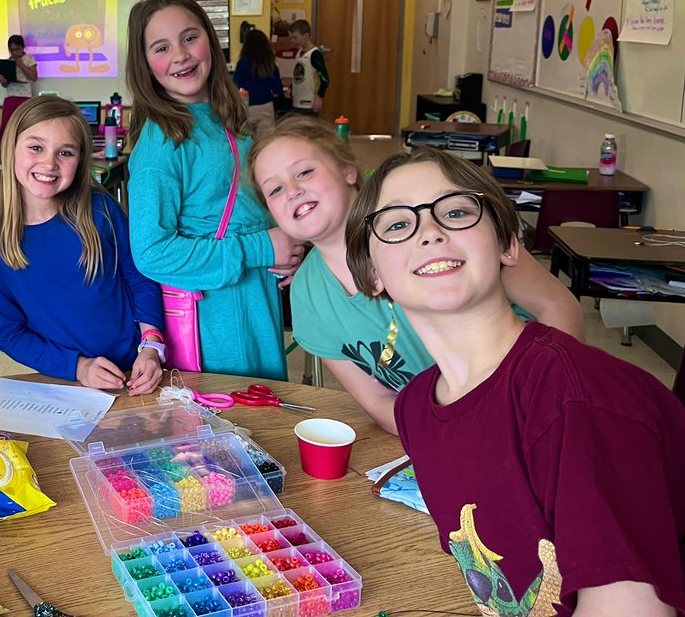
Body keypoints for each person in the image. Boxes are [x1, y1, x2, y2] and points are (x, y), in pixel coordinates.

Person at [345, 147, 685, 616]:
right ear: (371, 272)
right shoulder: (416, 407)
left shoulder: (578, 399)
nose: (430, 232)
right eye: (399, 224)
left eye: (457, 211)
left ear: (508, 242)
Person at [247, 117, 584, 434]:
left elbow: (557, 306)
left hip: (541, 410)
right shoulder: (308, 296)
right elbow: (381, 403)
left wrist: (545, 401)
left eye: (305, 172)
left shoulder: (438, 225)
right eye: (274, 190)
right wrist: (447, 436)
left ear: (347, 169)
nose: (292, 190)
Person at [124, 0, 303, 381]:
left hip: (256, 297)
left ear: (210, 38)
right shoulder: (161, 140)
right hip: (215, 315)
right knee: (231, 424)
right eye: (161, 47)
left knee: (263, 417)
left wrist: (287, 246)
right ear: (145, 65)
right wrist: (260, 247)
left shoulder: (228, 115)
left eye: (190, 38)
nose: (181, 55)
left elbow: (246, 206)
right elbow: (152, 253)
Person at [0, 97, 164, 394]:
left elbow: (141, 281)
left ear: (79, 161)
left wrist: (151, 347)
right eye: (36, 147)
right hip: (67, 382)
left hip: (136, 371)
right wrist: (78, 367)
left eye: (65, 152)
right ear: (10, 149)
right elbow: (10, 333)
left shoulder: (101, 211)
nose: (49, 163)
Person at [0, 34, 38, 167]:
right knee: (5, 127)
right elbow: (5, 85)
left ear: (23, 48)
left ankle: (26, 156)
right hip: (10, 97)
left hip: (25, 97)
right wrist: (3, 81)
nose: (14, 52)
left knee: (25, 127)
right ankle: (1, 155)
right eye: (12, 50)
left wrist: (21, 64)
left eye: (17, 49)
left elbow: (34, 77)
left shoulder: (29, 59)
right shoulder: (8, 61)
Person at [233, 28, 283, 134]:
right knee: (265, 141)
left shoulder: (243, 63)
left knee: (248, 141)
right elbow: (277, 90)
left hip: (247, 107)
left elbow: (236, 85)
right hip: (266, 106)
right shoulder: (271, 65)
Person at [284, 19, 328, 116]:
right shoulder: (299, 53)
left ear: (306, 36)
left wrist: (319, 96)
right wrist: (291, 88)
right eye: (291, 38)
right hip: (297, 102)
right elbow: (297, 74)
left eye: (295, 38)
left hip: (309, 104)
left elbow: (325, 78)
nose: (292, 41)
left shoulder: (315, 54)